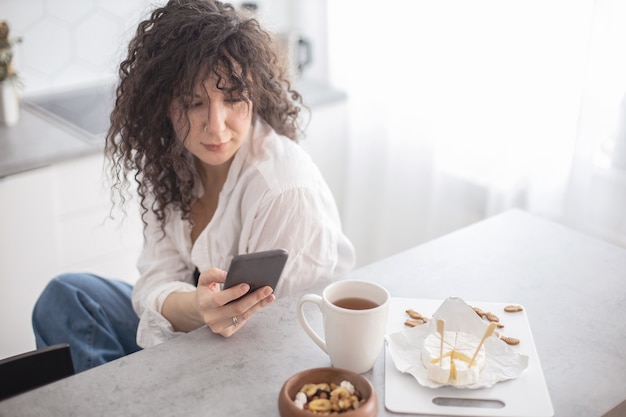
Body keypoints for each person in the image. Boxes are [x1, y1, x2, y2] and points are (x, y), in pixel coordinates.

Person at [32, 0, 355, 373]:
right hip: (191, 328)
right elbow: (157, 278)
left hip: (255, 356)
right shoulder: (171, 160)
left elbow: (276, 341)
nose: (215, 127)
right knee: (64, 297)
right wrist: (196, 308)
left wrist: (207, 318)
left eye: (233, 99)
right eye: (193, 103)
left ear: (255, 94)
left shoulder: (284, 190)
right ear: (163, 105)